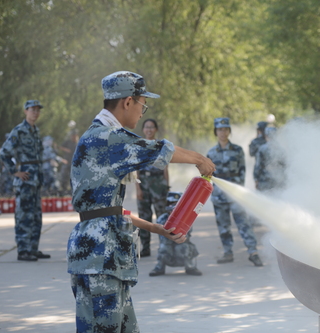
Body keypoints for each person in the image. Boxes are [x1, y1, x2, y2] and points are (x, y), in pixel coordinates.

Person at [67, 70, 215, 333]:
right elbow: (157, 150)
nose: (141, 111)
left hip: (101, 257)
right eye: (142, 104)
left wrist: (157, 229)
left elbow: (110, 212)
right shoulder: (108, 137)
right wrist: (199, 159)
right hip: (100, 260)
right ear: (127, 102)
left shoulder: (102, 137)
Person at [207, 117, 263, 267]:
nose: (223, 132)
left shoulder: (237, 150)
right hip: (219, 196)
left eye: (225, 129)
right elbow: (208, 176)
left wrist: (237, 191)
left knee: (244, 224)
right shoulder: (211, 153)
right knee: (223, 227)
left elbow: (242, 172)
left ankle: (253, 252)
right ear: (215, 132)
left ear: (229, 131)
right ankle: (227, 252)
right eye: (219, 129)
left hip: (235, 195)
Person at [1, 100, 50, 262]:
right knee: (24, 215)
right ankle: (23, 250)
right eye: (32, 110)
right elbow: (4, 153)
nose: (35, 112)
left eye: (38, 110)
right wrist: (15, 172)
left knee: (36, 215)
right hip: (26, 180)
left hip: (36, 179)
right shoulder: (19, 131)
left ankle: (33, 249)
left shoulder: (36, 131)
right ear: (25, 111)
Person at [135, 118, 169, 257]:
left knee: (162, 216)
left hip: (159, 183)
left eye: (152, 127)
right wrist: (138, 188)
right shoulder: (139, 146)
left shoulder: (162, 146)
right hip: (143, 182)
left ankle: (164, 246)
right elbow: (135, 169)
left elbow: (166, 168)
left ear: (156, 129)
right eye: (146, 127)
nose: (149, 129)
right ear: (143, 129)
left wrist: (167, 185)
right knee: (144, 217)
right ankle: (146, 247)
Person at [149, 191, 202, 276]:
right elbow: (163, 238)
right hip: (168, 249)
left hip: (181, 249)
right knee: (163, 247)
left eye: (176, 204)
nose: (173, 207)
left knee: (184, 246)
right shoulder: (162, 218)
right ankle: (159, 268)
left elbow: (186, 236)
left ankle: (190, 267)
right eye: (171, 203)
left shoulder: (187, 219)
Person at [254, 126, 285, 191]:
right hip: (278, 183)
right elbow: (285, 167)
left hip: (264, 182)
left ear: (266, 135)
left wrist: (256, 179)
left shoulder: (262, 149)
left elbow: (258, 166)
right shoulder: (281, 149)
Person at [58, 122, 79, 195]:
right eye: (72, 135)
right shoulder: (68, 142)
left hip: (74, 163)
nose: (73, 137)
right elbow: (60, 147)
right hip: (66, 161)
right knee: (64, 176)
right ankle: (63, 189)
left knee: (73, 177)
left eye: (75, 135)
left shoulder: (77, 143)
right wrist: (66, 150)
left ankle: (72, 190)